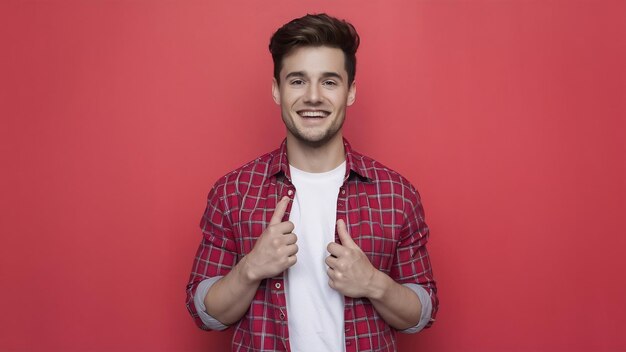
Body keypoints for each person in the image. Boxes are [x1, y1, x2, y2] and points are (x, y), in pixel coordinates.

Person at [186, 13, 438, 352]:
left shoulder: (396, 194)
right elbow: (205, 314)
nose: (314, 97)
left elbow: (422, 313)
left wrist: (374, 283)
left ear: (350, 91)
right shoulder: (232, 192)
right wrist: (250, 269)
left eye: (330, 82)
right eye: (297, 81)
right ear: (277, 90)